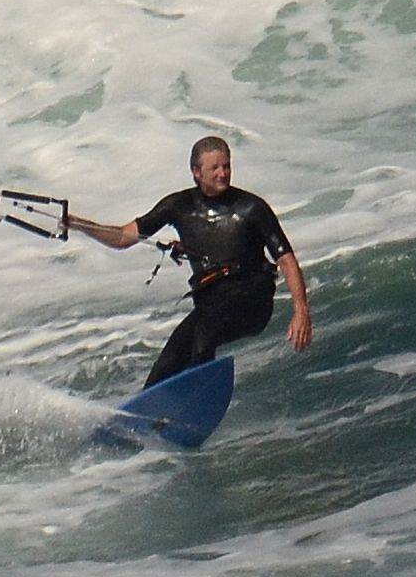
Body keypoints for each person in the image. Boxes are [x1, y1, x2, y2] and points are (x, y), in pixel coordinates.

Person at [65, 136, 312, 388]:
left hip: (252, 301)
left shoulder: (252, 207)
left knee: (205, 333)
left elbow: (286, 260)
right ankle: (152, 407)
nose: (223, 173)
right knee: (167, 363)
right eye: (215, 168)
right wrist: (79, 224)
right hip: (211, 304)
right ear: (196, 172)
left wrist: (301, 311)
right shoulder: (179, 206)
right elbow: (122, 237)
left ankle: (199, 393)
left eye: (226, 166)